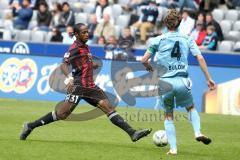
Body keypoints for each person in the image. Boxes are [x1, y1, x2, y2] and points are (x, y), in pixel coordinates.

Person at [20, 23, 152, 142]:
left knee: (109, 107)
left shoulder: (85, 47)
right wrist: (70, 77)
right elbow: (64, 65)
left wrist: (90, 65)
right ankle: (30, 126)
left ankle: (132, 132)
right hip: (78, 86)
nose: (87, 34)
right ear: (76, 34)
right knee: (62, 114)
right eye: (83, 32)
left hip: (90, 86)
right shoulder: (74, 48)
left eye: (87, 32)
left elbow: (81, 63)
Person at [141, 9, 216, 155]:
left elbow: (144, 59)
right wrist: (208, 78)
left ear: (165, 23)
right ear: (180, 23)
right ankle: (197, 132)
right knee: (191, 108)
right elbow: (199, 58)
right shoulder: (187, 39)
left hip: (165, 83)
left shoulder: (158, 40)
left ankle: (173, 148)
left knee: (168, 115)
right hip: (182, 81)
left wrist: (149, 67)